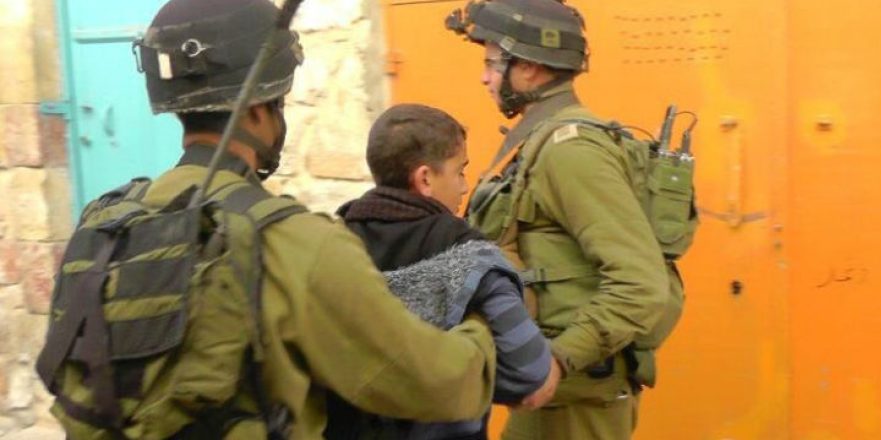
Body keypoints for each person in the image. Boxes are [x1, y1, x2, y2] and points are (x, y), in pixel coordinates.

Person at [35, 1, 496, 438]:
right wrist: (481, 321)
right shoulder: (296, 241)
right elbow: (440, 385)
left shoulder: (106, 222)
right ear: (260, 110)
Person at [445, 1, 673, 438]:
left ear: (529, 68)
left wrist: (559, 358)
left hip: (573, 400)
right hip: (552, 398)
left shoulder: (570, 151)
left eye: (493, 62)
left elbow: (641, 283)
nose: (485, 76)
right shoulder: (541, 140)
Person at [328, 103, 559, 439]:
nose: (465, 187)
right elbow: (531, 372)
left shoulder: (329, 249)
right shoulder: (471, 258)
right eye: (459, 171)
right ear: (425, 179)